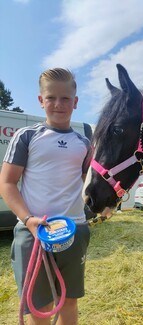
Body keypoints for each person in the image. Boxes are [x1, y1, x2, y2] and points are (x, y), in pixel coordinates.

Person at [0, 68, 91, 325]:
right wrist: (28, 219)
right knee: (39, 305)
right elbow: (6, 183)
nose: (58, 104)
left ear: (75, 102)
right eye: (51, 97)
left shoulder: (84, 143)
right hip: (34, 233)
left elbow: (88, 184)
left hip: (74, 230)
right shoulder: (26, 136)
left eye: (65, 99)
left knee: (68, 301)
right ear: (41, 100)